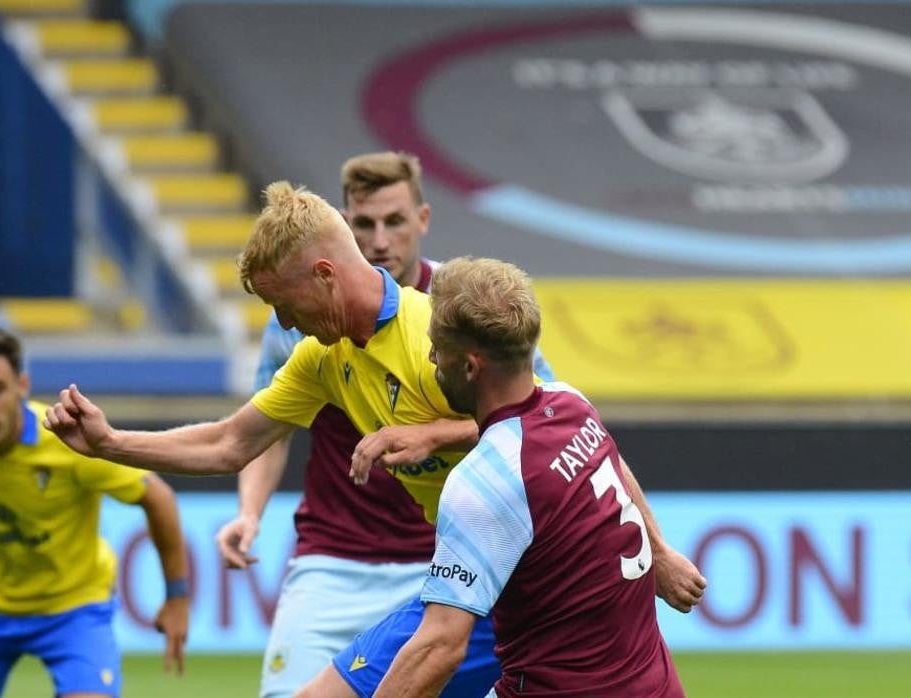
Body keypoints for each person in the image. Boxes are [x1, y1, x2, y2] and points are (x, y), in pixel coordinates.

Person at [43, 182, 702, 698]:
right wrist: (109, 443)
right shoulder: (322, 358)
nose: (283, 323)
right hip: (457, 577)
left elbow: (548, 420)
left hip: (513, 586)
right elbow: (229, 443)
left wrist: (662, 552)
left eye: (284, 302)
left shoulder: (434, 337)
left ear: (325, 275)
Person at [214, 152, 555, 697]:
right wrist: (248, 513)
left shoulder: (463, 302)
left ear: (421, 220)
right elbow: (258, 433)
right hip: (333, 556)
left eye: (393, 221)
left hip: (442, 559)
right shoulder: (298, 319)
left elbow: (541, 416)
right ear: (343, 230)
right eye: (364, 223)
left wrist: (432, 433)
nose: (379, 239)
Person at [375, 257, 687, 697]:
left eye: (437, 348)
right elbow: (619, 477)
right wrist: (661, 554)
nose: (430, 359)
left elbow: (440, 645)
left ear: (470, 366)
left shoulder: (487, 479)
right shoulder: (575, 407)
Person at [0, 324, 190, 698]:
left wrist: (177, 597)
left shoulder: (68, 441)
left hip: (74, 607)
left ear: (22, 385)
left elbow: (158, 498)